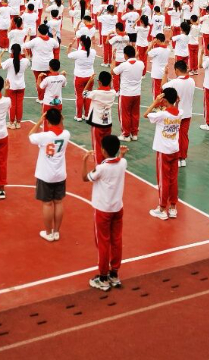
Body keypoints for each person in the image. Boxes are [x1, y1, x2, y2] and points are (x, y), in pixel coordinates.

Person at [82, 134, 128, 291]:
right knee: (116, 240)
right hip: (117, 208)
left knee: (103, 243)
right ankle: (114, 274)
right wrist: (121, 155)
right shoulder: (123, 163)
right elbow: (119, 161)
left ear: (103, 150)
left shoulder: (101, 168)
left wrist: (84, 161)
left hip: (103, 210)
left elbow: (85, 178)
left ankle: (102, 277)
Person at [29, 108, 70, 241]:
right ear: (60, 120)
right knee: (58, 202)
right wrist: (60, 119)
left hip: (46, 175)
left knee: (47, 204)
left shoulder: (44, 136)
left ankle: (48, 233)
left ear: (47, 121)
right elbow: (61, 128)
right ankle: (56, 232)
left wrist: (40, 121)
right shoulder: (66, 135)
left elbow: (30, 135)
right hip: (60, 174)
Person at [145, 87, 181, 220]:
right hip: (175, 149)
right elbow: (176, 107)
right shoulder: (180, 113)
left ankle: (161, 208)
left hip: (163, 151)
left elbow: (146, 114)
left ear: (164, 100)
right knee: (173, 179)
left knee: (163, 180)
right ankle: (172, 207)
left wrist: (155, 102)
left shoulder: (162, 115)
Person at [84, 71, 117, 163]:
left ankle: (99, 166)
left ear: (99, 82)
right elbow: (112, 88)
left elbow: (84, 93)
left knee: (97, 147)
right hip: (107, 122)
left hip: (97, 123)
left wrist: (90, 81)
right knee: (107, 146)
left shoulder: (95, 93)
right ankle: (107, 164)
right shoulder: (113, 93)